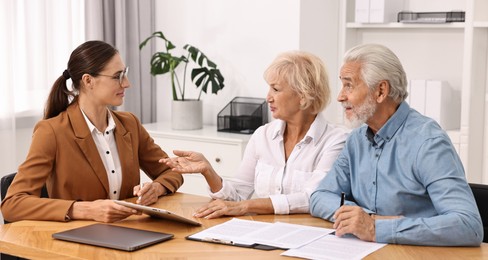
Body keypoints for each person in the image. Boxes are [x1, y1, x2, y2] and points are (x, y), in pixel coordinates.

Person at [310, 43, 483, 246]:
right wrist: (366, 219)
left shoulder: (428, 143)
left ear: (381, 91)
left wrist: (375, 228)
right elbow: (320, 197)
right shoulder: (356, 140)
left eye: (349, 85)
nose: (340, 96)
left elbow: (468, 225)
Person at [1, 41, 183, 223]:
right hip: (76, 241)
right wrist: (83, 210)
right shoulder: (51, 132)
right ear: (88, 81)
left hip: (128, 233)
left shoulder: (130, 124)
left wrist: (157, 188)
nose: (126, 83)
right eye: (117, 76)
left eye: (125, 74)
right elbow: (12, 204)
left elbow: (172, 172)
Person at [160, 51, 349, 219]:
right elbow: (236, 196)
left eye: (275, 89)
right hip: (264, 231)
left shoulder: (335, 140)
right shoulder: (262, 136)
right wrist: (208, 171)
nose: (268, 97)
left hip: (309, 235)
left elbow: (314, 198)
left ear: (303, 95)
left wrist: (246, 207)